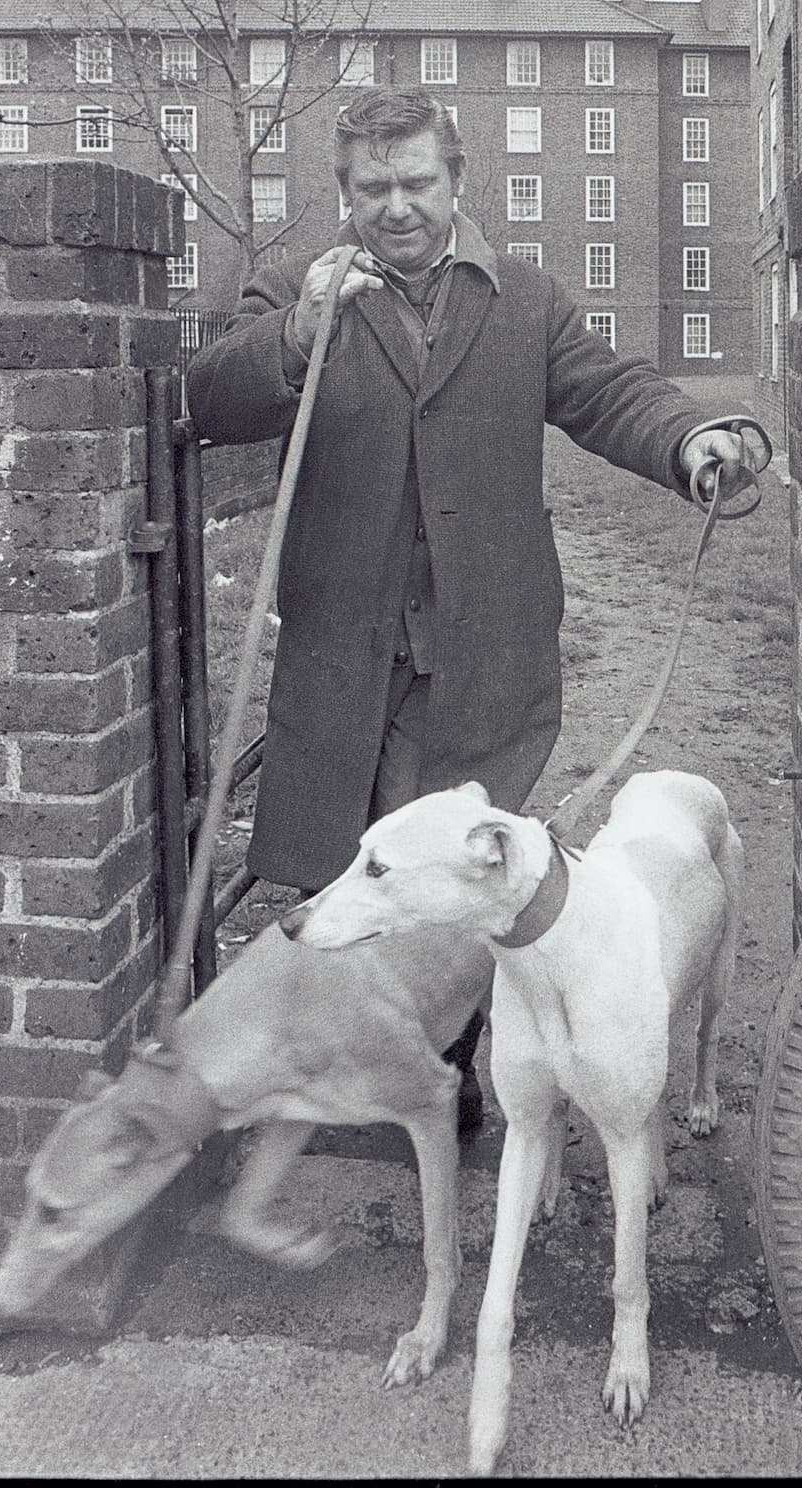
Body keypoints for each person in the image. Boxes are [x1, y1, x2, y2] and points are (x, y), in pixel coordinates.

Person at [187, 85, 751, 1124]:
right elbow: (210, 399)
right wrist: (298, 336)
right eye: (371, 189)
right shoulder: (295, 289)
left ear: (458, 180)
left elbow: (608, 392)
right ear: (342, 192)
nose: (395, 207)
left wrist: (687, 439)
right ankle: (392, 1074)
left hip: (484, 645)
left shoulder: (523, 300)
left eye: (416, 183)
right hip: (348, 645)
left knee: (454, 874)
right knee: (352, 867)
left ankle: (444, 1077)